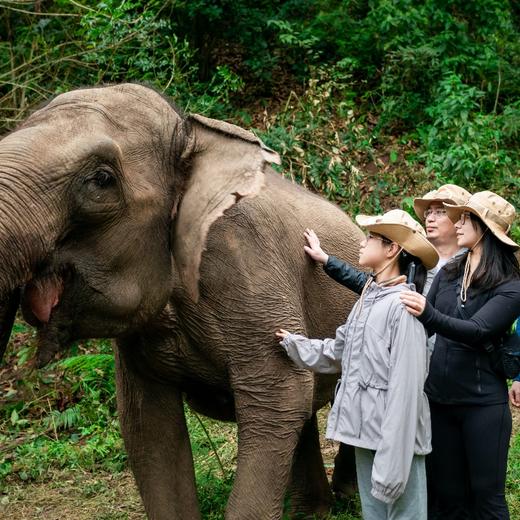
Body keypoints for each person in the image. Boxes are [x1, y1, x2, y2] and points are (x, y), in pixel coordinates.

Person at [303, 184, 470, 500]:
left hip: (452, 373)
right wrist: (327, 260)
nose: (432, 218)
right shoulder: (412, 266)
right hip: (411, 369)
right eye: (429, 212)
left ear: (461, 220)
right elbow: (370, 284)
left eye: (440, 212)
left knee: (436, 448)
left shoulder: (473, 265)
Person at [276, 209, 439, 520]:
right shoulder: (368, 299)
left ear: (393, 250)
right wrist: (292, 343)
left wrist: (394, 461)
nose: (362, 243)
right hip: (365, 432)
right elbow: (340, 351)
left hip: (397, 441)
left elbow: (406, 392)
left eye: (371, 238)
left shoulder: (403, 308)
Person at [400, 191, 520, 520]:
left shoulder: (510, 285)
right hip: (440, 401)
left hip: (483, 405)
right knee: (448, 497)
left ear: (484, 228)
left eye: (465, 218)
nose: (458, 222)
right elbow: (422, 329)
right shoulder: (450, 272)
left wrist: (427, 314)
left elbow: (478, 330)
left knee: (487, 498)